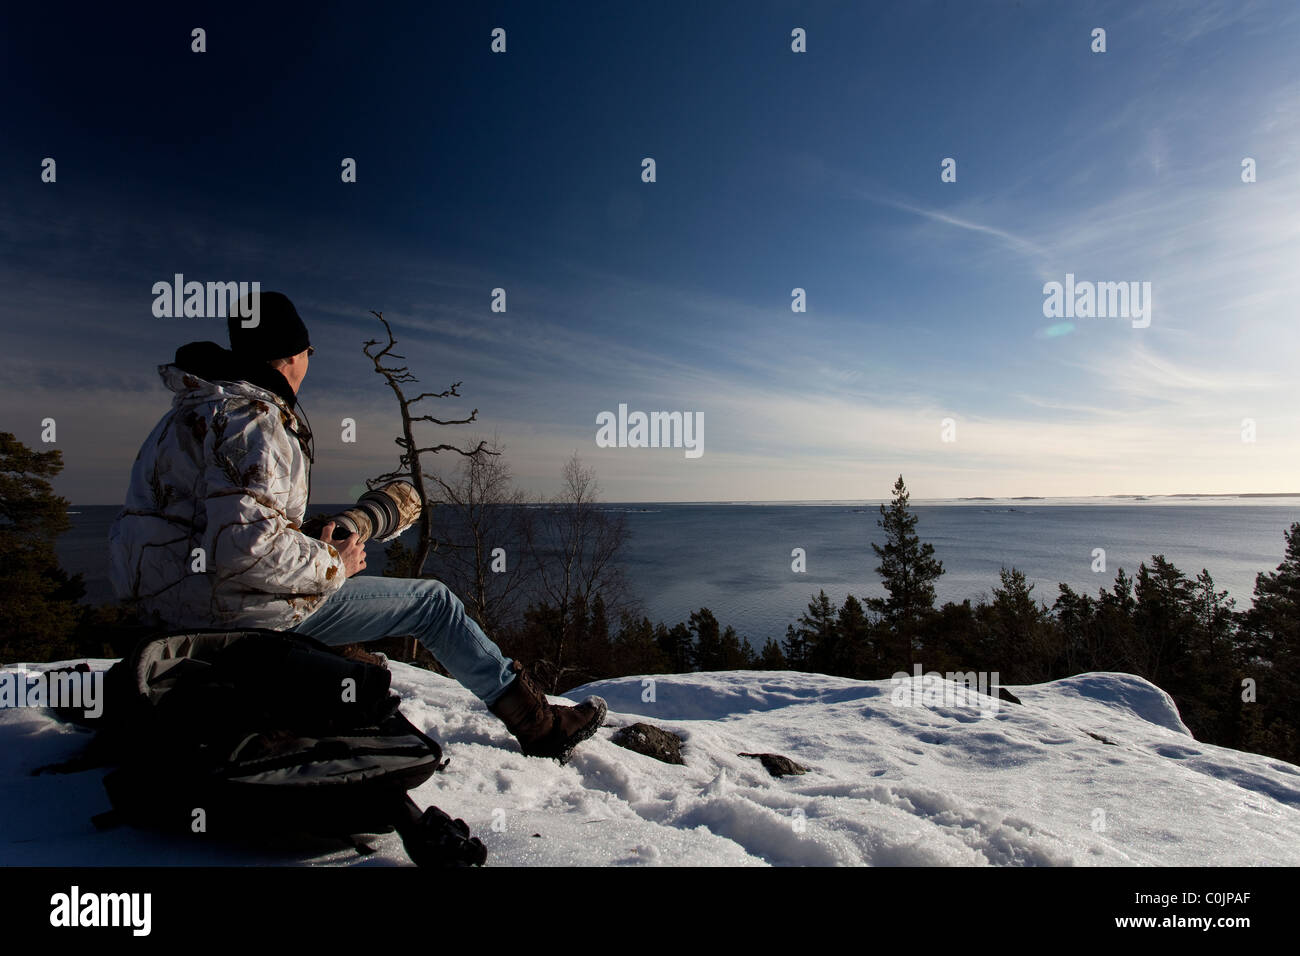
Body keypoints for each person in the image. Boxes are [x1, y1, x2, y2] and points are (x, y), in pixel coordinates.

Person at [108, 290, 604, 763]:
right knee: (433, 603)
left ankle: (334, 671)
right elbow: (246, 549)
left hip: (168, 619)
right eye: (308, 350)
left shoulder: (181, 419)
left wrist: (314, 536)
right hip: (236, 622)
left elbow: (202, 532)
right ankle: (540, 728)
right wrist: (332, 564)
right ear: (291, 355)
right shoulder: (254, 420)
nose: (309, 362)